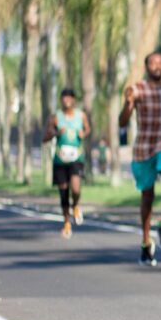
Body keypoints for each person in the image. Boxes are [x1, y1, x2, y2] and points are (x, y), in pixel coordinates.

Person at [119, 51, 161, 267]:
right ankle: (146, 242)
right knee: (147, 196)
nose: (157, 66)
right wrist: (128, 104)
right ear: (146, 67)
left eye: (160, 62)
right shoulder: (137, 89)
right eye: (152, 63)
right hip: (144, 147)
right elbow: (122, 122)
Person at [44, 88, 91, 240]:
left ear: (74, 100)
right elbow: (46, 137)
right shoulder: (56, 118)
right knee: (63, 191)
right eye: (64, 97)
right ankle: (66, 222)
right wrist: (56, 133)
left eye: (70, 97)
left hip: (76, 158)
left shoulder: (80, 115)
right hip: (60, 160)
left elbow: (87, 128)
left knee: (76, 187)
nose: (67, 100)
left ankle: (76, 205)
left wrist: (84, 133)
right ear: (61, 100)